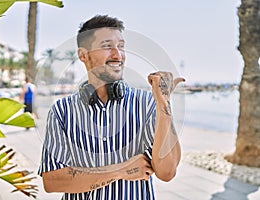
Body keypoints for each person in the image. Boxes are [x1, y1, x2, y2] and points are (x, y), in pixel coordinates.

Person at [38, 15, 185, 199]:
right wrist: (120, 170)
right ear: (83, 55)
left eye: (121, 46)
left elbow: (167, 172)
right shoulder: (62, 111)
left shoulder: (147, 104)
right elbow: (52, 181)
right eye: (107, 46)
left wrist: (163, 103)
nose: (118, 55)